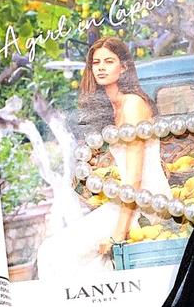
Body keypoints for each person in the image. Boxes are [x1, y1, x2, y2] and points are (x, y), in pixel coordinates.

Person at [37, 37, 172, 279]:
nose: (100, 67)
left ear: (124, 67)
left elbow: (135, 177)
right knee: (58, 255)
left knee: (53, 254)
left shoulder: (132, 105)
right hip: (126, 201)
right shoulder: (113, 107)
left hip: (148, 202)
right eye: (96, 62)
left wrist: (118, 234)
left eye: (109, 61)